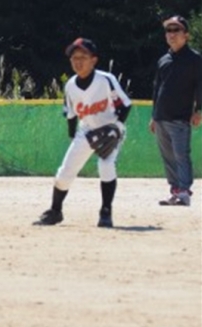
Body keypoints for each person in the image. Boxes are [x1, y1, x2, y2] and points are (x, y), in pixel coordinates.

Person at [34, 38, 132, 228]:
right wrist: (74, 139)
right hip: (86, 130)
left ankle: (106, 212)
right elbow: (71, 116)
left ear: (93, 60)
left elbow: (125, 105)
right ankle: (55, 211)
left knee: (106, 165)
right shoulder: (70, 85)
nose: (78, 61)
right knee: (65, 171)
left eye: (83, 57)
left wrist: (118, 127)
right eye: (74, 58)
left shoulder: (105, 80)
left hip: (111, 127)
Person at [149, 15, 202, 206]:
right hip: (161, 117)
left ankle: (185, 192)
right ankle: (175, 190)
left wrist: (198, 110)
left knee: (181, 155)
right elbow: (157, 88)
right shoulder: (164, 60)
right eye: (168, 30)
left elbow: (200, 86)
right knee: (168, 157)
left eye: (176, 30)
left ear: (186, 35)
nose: (171, 34)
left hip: (180, 117)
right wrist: (153, 116)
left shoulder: (195, 59)